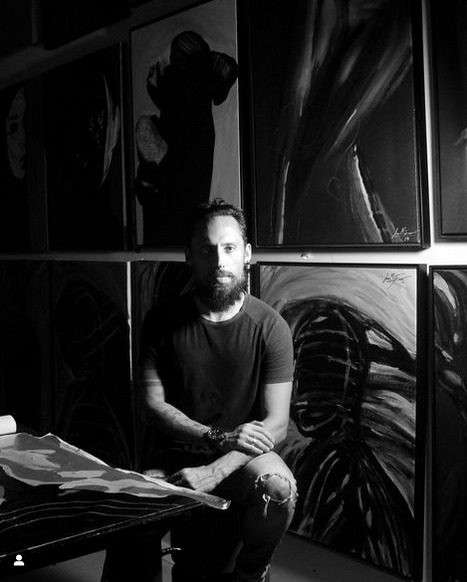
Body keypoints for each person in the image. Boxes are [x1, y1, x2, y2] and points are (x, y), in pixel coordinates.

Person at [133, 199, 296, 582]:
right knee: (129, 522)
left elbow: (276, 424)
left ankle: (250, 575)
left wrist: (214, 469)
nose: (220, 261)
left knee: (278, 489)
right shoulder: (161, 321)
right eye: (207, 250)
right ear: (190, 256)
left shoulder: (270, 327)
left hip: (242, 456)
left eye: (229, 248)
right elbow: (151, 407)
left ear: (247, 254)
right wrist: (216, 437)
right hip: (172, 455)